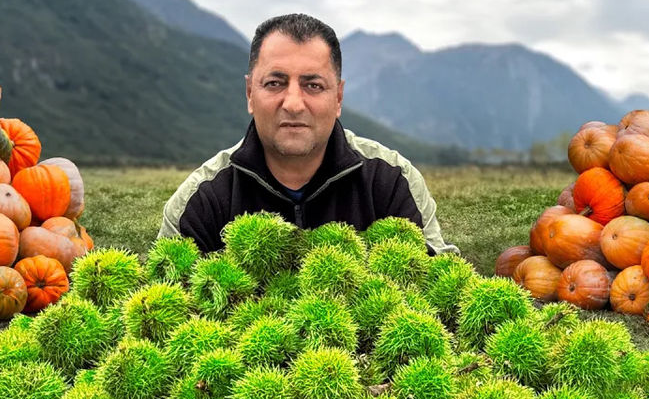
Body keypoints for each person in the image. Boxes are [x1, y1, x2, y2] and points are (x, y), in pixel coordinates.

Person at [157, 13, 458, 256]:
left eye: (313, 85)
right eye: (275, 83)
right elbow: (158, 303)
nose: (293, 104)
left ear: (338, 98)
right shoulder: (201, 199)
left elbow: (443, 283)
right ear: (250, 93)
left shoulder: (392, 181)